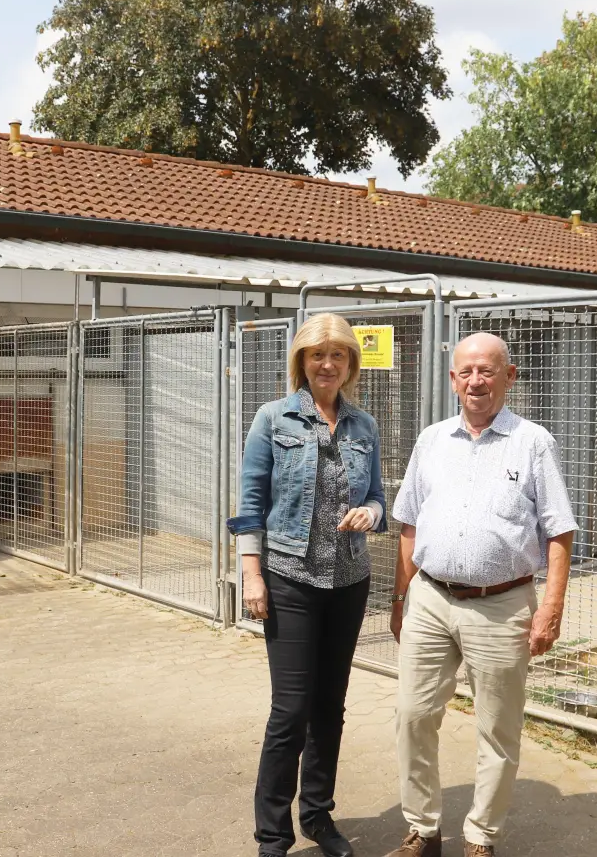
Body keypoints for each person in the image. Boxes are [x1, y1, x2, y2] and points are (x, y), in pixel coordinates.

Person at [381, 332, 578, 857]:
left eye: (488, 371)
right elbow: (408, 524)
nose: (476, 381)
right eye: (466, 372)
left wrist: (551, 607)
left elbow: (559, 531)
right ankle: (423, 830)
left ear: (509, 377)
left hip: (502, 604)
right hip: (429, 597)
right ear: (452, 380)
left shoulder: (533, 442)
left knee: (497, 727)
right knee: (413, 715)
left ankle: (481, 837)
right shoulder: (431, 440)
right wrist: (400, 600)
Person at [228, 312, 389, 857]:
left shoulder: (364, 426)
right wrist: (252, 575)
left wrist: (370, 513)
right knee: (290, 710)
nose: (327, 364)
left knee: (330, 706)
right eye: (317, 355)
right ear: (301, 361)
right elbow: (250, 505)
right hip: (290, 579)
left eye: (337, 355)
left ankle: (318, 817)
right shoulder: (273, 419)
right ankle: (272, 836)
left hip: (348, 581)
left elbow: (380, 502)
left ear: (349, 364)